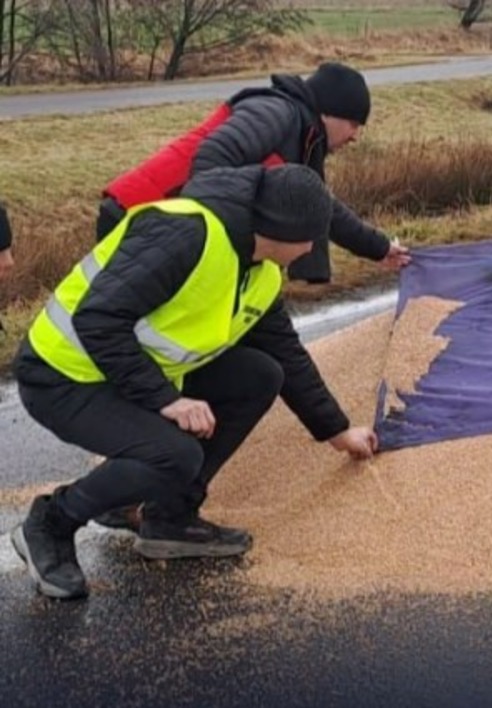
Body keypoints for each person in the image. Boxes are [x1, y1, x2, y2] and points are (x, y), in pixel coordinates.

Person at [9, 164, 379, 600]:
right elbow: (98, 318)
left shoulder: (259, 271)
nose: (313, 247)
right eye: (311, 237)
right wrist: (166, 399)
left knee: (261, 375)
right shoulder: (185, 234)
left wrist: (336, 431)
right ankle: (51, 522)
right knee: (174, 454)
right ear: (284, 229)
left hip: (125, 371)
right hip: (62, 374)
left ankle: (170, 517)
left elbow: (286, 353)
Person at [97, 61, 410, 283]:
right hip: (137, 216)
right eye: (354, 123)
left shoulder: (304, 139)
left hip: (168, 229)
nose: (355, 136)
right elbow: (211, 159)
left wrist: (379, 248)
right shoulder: (275, 112)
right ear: (329, 112)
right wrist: (230, 239)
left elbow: (317, 207)